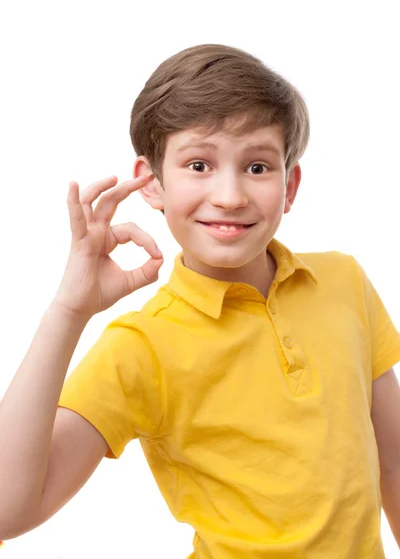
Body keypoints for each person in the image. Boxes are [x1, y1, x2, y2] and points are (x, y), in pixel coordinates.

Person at [1, 43, 399, 557]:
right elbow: (9, 509)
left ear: (290, 185)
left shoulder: (344, 282)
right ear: (151, 182)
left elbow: (393, 463)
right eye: (198, 164)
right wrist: (68, 310)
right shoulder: (141, 347)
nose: (230, 195)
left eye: (257, 167)